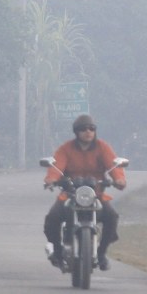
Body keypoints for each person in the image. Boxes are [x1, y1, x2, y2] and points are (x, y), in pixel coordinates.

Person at [43, 114, 126, 271]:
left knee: (112, 216)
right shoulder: (66, 148)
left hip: (96, 194)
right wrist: (51, 179)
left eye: (91, 128)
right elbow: (56, 166)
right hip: (71, 194)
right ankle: (58, 252)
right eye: (83, 129)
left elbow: (114, 166)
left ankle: (101, 253)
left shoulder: (103, 147)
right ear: (76, 132)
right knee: (52, 218)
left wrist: (119, 180)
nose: (88, 132)